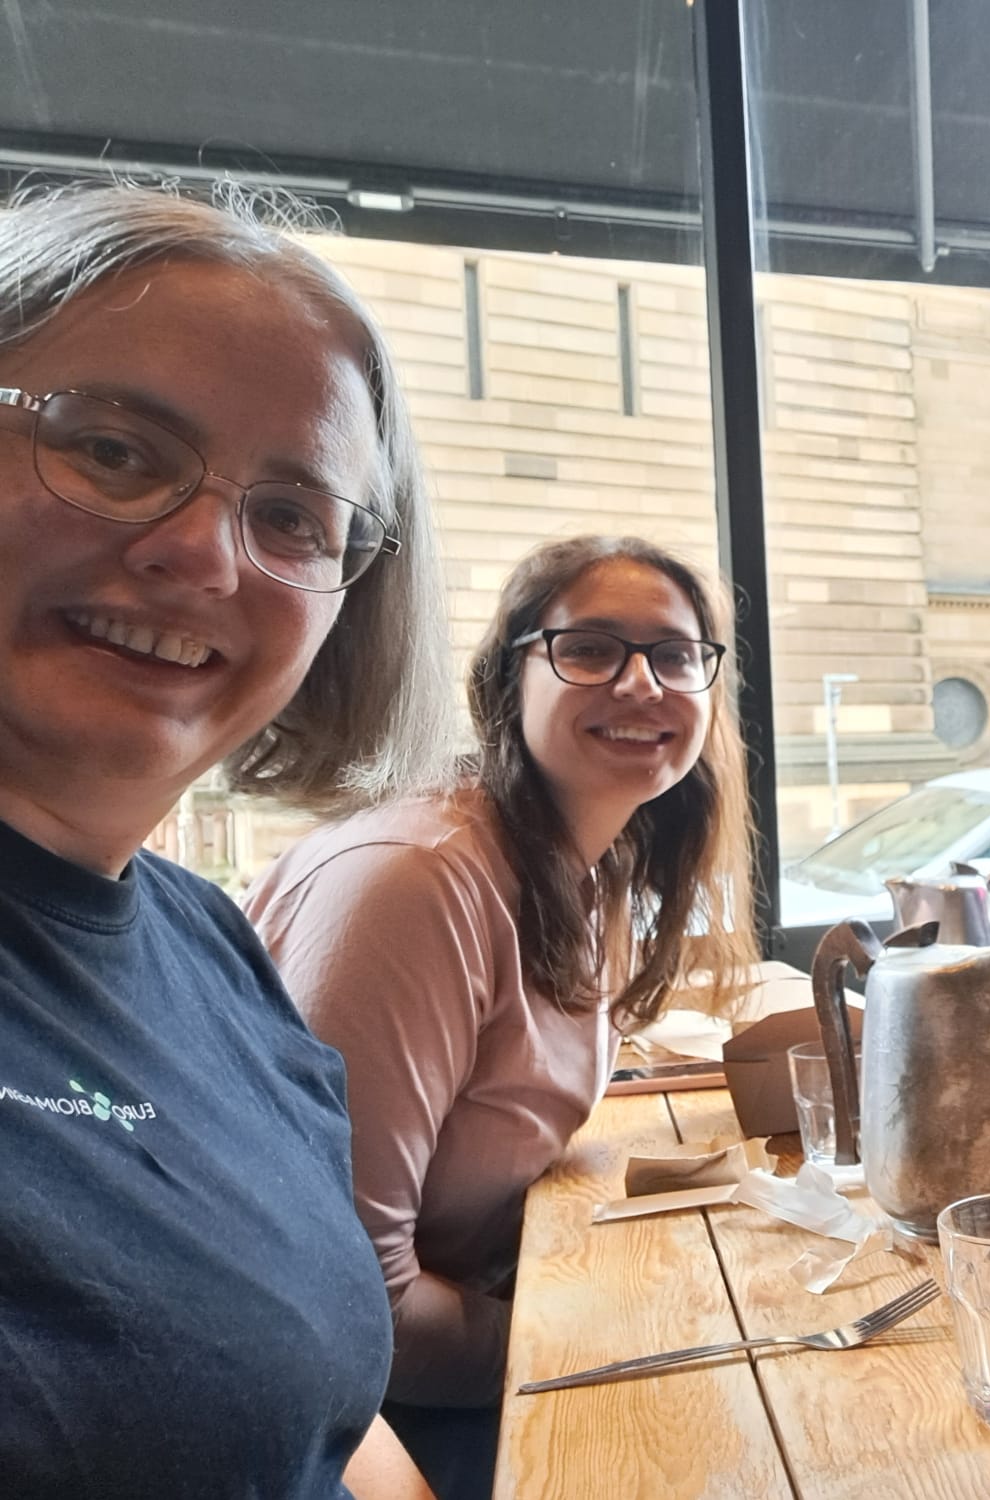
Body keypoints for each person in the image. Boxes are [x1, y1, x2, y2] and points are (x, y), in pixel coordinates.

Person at [0, 184, 455, 1498]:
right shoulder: (408, 875)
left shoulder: (202, 937)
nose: (204, 554)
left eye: (293, 516)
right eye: (113, 450)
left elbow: (324, 1408)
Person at [246, 534, 758, 1499]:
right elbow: (349, 1300)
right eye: (590, 648)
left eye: (675, 654)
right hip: (349, 1420)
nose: (641, 683)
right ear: (506, 678)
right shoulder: (418, 882)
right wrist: (574, 1340)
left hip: (456, 1344)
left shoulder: (586, 869)